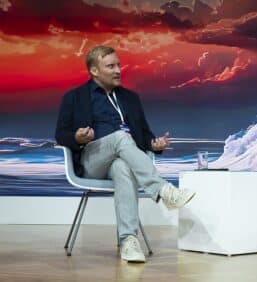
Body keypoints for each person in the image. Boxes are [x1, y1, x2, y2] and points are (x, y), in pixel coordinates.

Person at [55, 45, 195, 263]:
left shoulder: (130, 98)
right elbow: (60, 135)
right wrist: (76, 137)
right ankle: (164, 190)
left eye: (118, 65)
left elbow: (145, 134)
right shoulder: (74, 97)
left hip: (124, 158)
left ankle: (128, 241)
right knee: (120, 137)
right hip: (92, 160)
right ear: (94, 71)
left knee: (122, 166)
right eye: (110, 66)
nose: (118, 70)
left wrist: (155, 144)